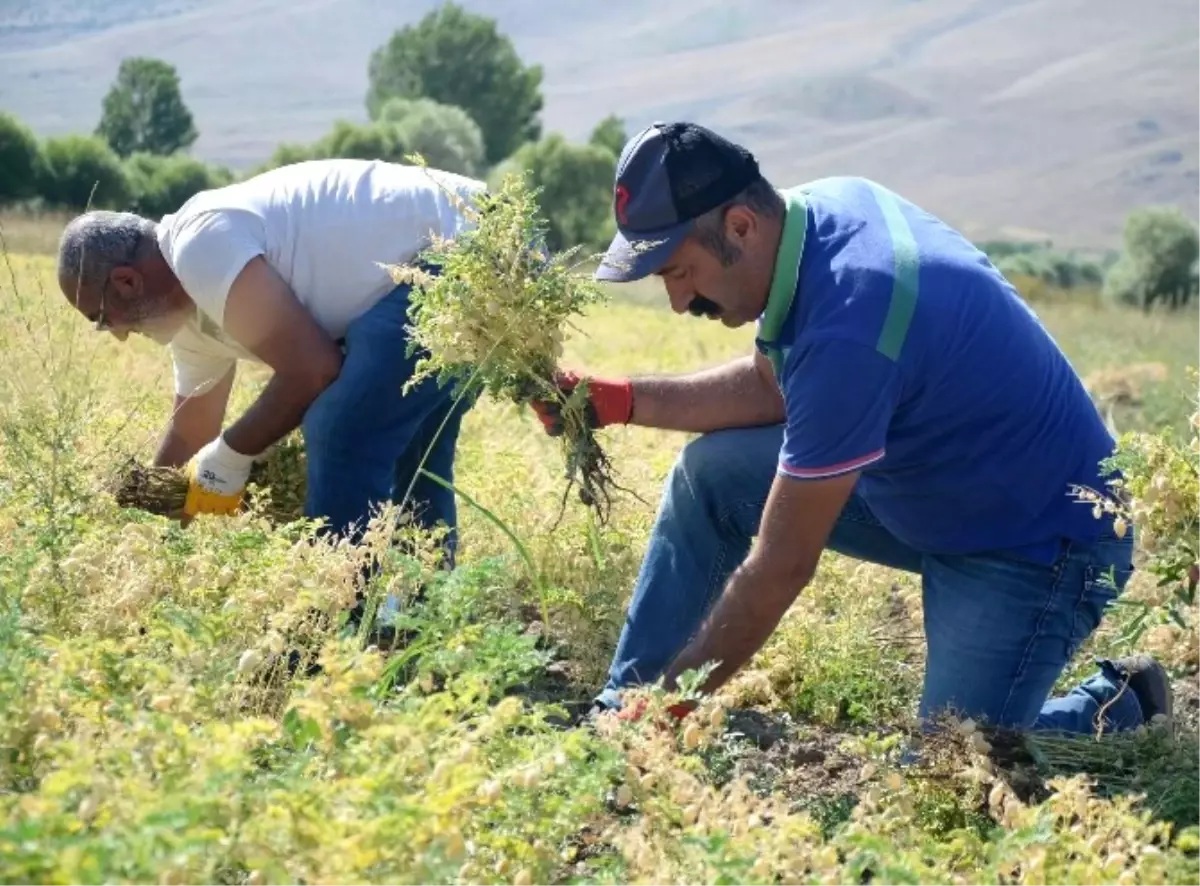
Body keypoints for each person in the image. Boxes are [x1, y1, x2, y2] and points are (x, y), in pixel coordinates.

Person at [532, 121, 1173, 735]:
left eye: (679, 271)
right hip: (934, 490)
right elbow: (770, 385)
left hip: (1038, 542)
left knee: (953, 765)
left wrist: (671, 712)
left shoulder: (852, 316)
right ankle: (621, 708)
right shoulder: (815, 219)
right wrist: (618, 401)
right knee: (713, 477)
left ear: (740, 225)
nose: (678, 301)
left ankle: (1118, 708)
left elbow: (779, 569)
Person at [56, 157, 484, 566]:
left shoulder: (197, 245)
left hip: (471, 246)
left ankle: (345, 615)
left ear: (126, 281)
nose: (117, 333)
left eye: (101, 318)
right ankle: (421, 604)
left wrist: (232, 453)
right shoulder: (190, 321)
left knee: (340, 428)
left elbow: (314, 369)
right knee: (409, 444)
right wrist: (139, 542)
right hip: (470, 251)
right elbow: (190, 433)